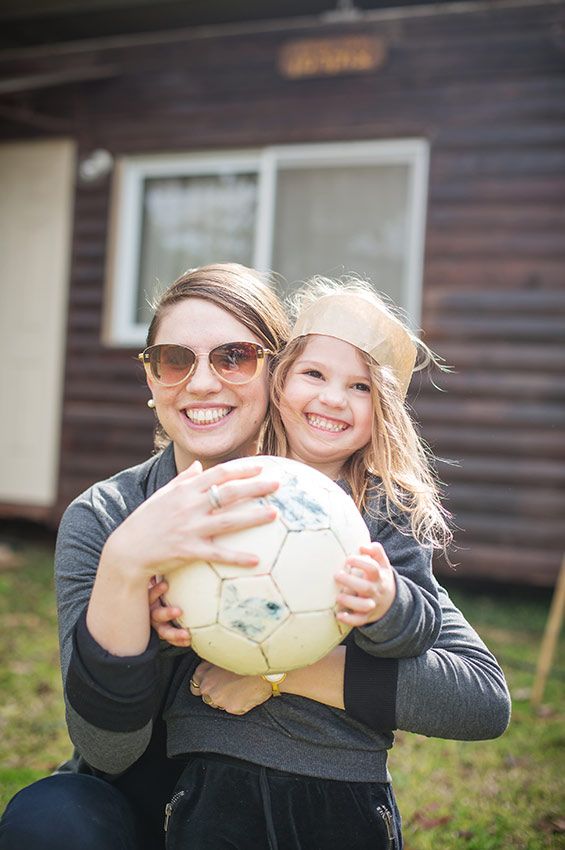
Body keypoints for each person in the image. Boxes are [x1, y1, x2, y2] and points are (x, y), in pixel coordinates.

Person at [0, 264, 510, 850]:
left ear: (272, 371)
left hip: (318, 792)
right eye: (174, 360)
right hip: (154, 801)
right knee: (53, 822)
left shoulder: (336, 511)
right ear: (151, 377)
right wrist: (126, 570)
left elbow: (480, 697)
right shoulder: (109, 514)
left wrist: (280, 673)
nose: (201, 384)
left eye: (233, 357)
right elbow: (106, 750)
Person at [159, 277, 455, 849]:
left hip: (338, 775)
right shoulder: (235, 478)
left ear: (383, 411)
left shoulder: (385, 509)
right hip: (220, 759)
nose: (332, 399)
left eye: (361, 387)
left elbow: (421, 627)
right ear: (281, 380)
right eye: (314, 374)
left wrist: (386, 602)